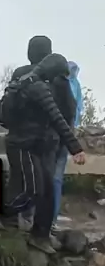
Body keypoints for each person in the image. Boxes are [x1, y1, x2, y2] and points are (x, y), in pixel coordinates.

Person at [2, 53, 86, 254]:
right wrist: (76, 148)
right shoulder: (36, 86)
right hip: (22, 146)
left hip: (36, 144)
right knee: (33, 189)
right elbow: (57, 117)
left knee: (47, 191)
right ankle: (2, 213)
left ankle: (40, 236)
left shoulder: (29, 81)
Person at [52, 61, 83, 229]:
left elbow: (78, 107)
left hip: (55, 136)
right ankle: (51, 218)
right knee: (54, 178)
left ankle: (48, 217)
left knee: (49, 178)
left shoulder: (71, 84)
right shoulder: (63, 85)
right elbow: (72, 109)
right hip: (62, 136)